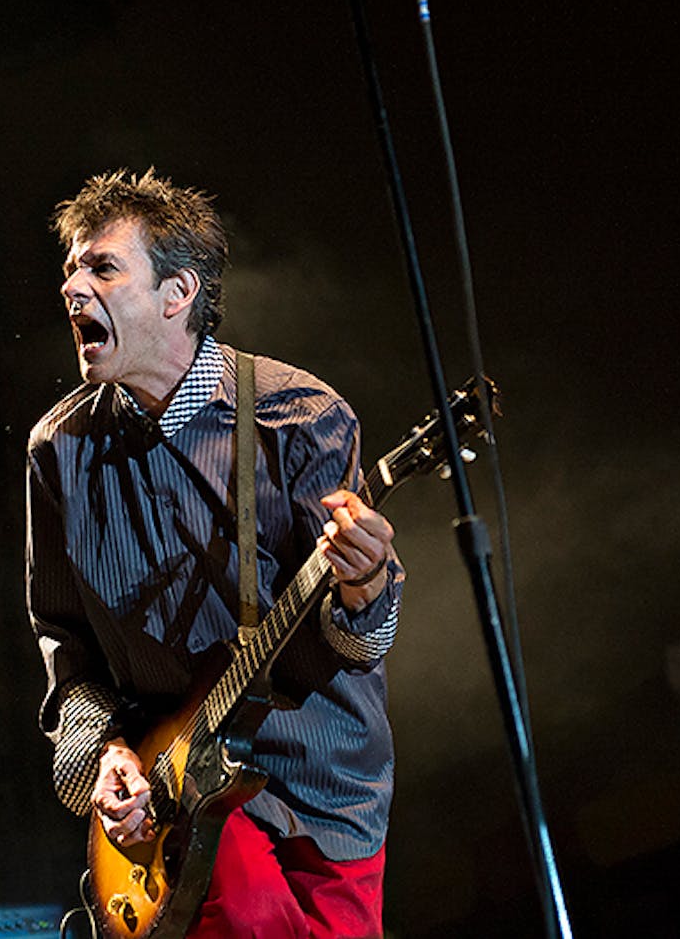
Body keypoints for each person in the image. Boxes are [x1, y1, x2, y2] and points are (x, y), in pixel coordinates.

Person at [25, 168, 404, 938]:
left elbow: (352, 640)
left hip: (321, 797)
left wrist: (365, 590)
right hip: (181, 808)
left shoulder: (300, 418)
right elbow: (65, 645)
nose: (71, 287)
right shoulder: (56, 452)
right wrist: (105, 757)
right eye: (70, 266)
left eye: (101, 266)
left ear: (177, 293)